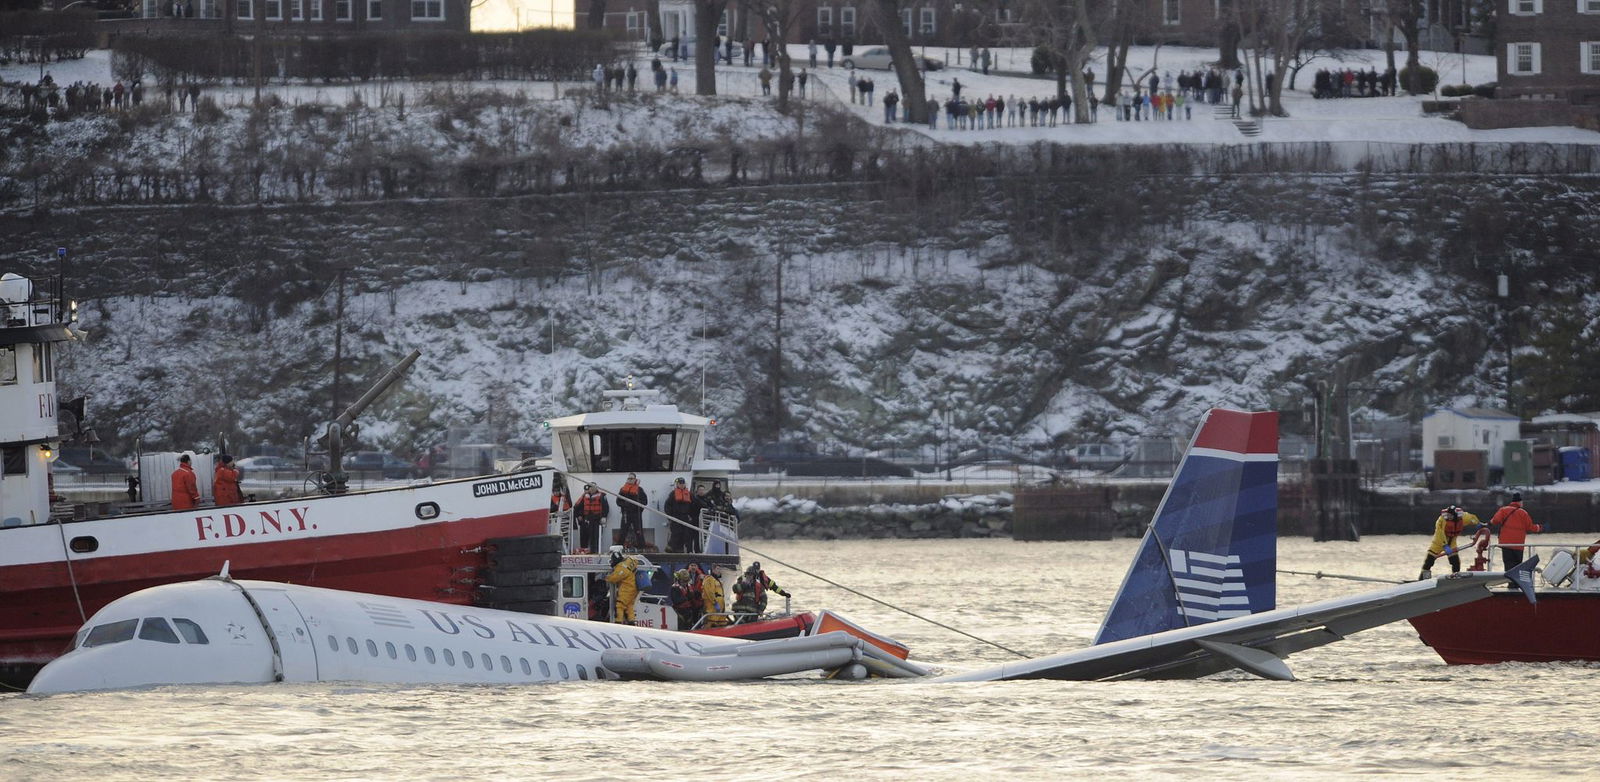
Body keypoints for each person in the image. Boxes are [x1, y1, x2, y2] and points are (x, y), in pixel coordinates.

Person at [1419, 505, 1481, 579]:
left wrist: (1477, 523)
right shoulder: (1442, 520)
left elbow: (1472, 518)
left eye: (1450, 515)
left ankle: (1455, 578)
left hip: (1452, 543)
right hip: (1438, 543)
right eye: (1448, 515)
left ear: (1454, 515)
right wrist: (1445, 545)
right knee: (1429, 561)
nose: (1449, 516)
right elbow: (1440, 533)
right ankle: (1422, 579)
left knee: (1455, 563)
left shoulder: (1462, 517)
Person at [1490, 492, 1542, 569]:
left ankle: (1509, 580)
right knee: (1517, 567)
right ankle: (1515, 580)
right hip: (1518, 546)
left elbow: (1495, 521)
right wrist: (1539, 527)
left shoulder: (1503, 510)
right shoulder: (1523, 513)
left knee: (1508, 566)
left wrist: (1489, 523)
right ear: (1520, 503)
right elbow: (1530, 527)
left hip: (1506, 544)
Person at [604, 547, 639, 624]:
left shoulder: (621, 568)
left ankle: (618, 622)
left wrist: (606, 578)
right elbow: (635, 561)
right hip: (633, 588)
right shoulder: (628, 562)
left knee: (619, 605)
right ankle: (631, 621)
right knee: (629, 606)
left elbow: (614, 578)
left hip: (627, 589)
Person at [574, 483, 609, 553]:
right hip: (587, 518)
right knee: (584, 535)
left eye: (593, 487)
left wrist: (604, 517)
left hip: (597, 519)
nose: (591, 489)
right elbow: (577, 506)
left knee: (595, 536)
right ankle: (584, 550)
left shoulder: (601, 495)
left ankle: (595, 551)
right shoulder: (584, 496)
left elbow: (606, 507)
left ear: (596, 488)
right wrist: (578, 515)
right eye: (590, 487)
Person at [664, 477, 696, 552]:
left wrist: (691, 516)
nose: (681, 485)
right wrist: (670, 516)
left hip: (686, 517)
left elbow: (693, 505)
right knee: (676, 534)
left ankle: (685, 551)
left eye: (682, 483)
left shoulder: (689, 494)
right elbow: (667, 505)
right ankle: (672, 550)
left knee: (686, 535)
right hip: (676, 517)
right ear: (677, 484)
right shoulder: (673, 494)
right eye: (680, 483)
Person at [617, 473, 647, 549]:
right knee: (623, 532)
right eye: (629, 479)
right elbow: (618, 501)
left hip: (636, 513)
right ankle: (617, 548)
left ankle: (642, 548)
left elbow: (645, 501)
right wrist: (625, 505)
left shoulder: (640, 490)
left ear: (635, 479)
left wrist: (639, 508)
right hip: (626, 513)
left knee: (639, 531)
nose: (630, 480)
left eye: (632, 479)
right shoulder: (623, 490)